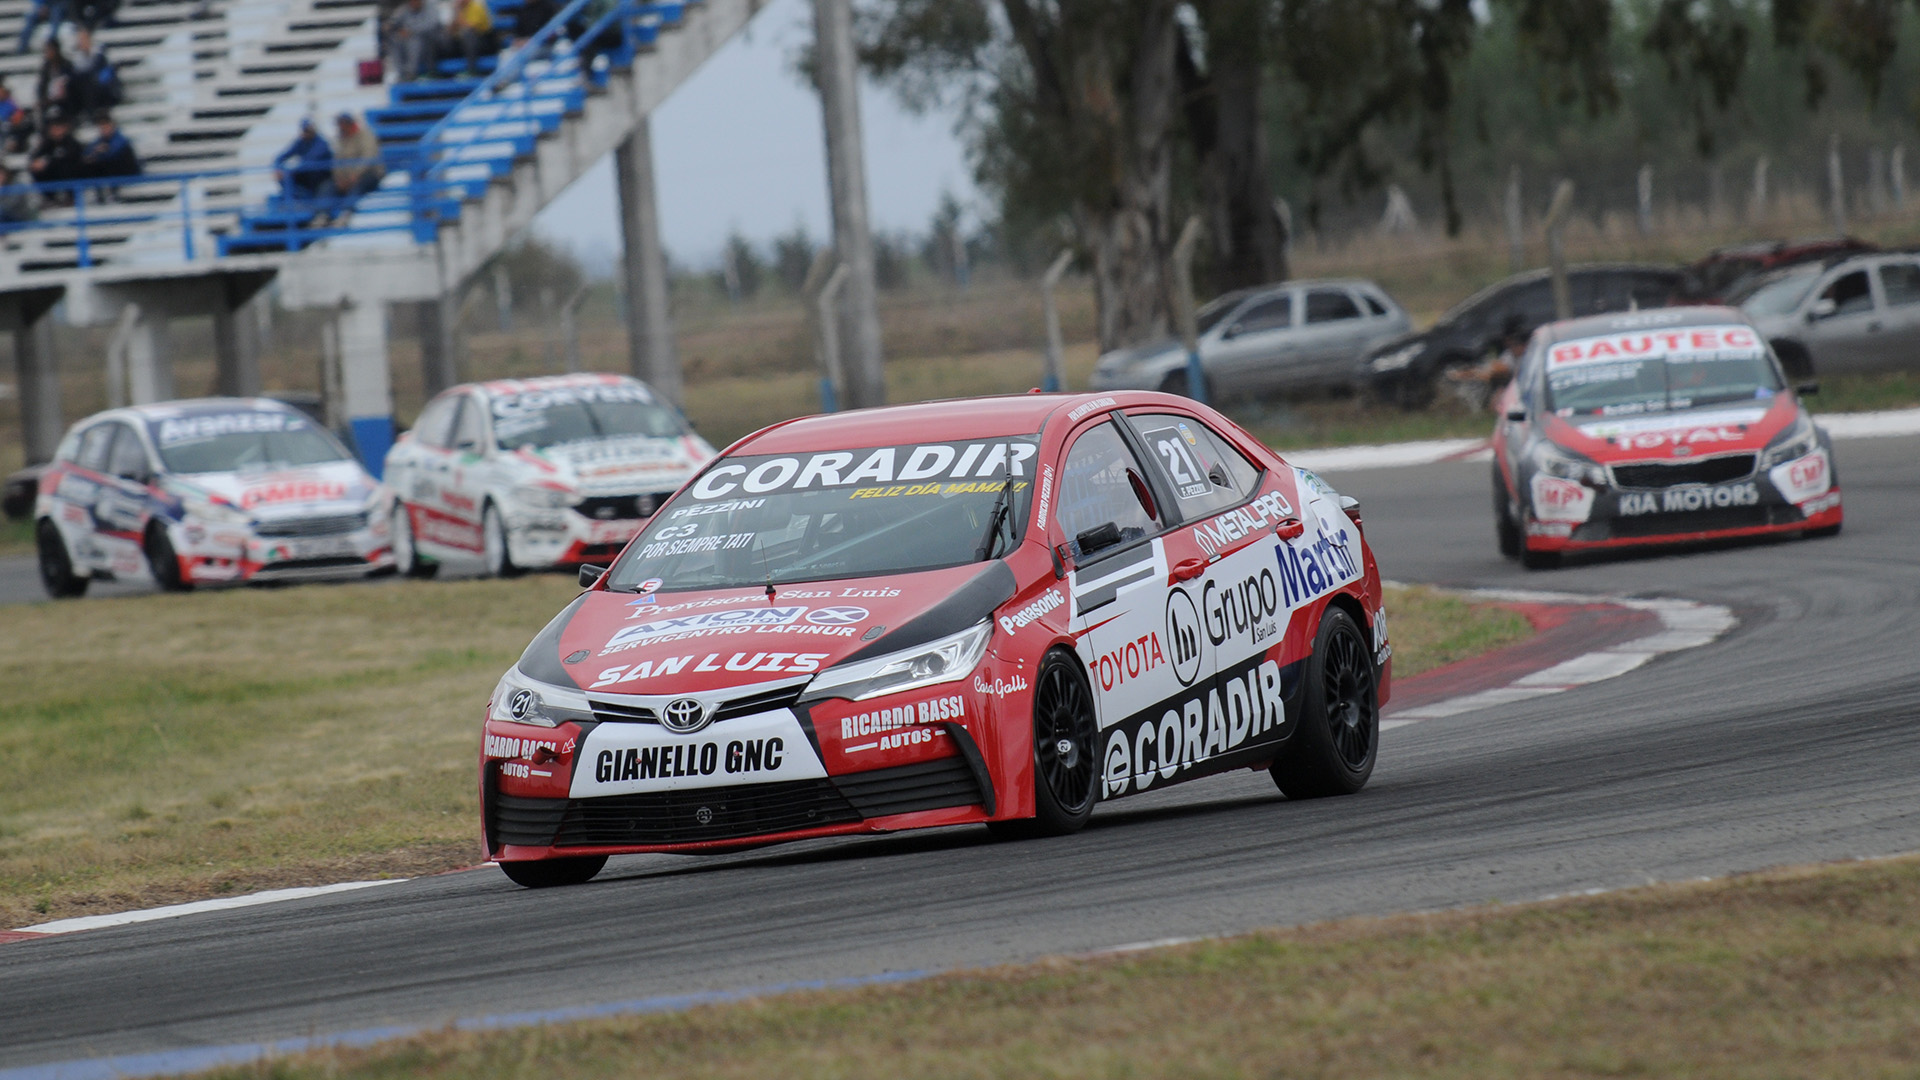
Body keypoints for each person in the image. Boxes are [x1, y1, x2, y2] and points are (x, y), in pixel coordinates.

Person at [322, 112, 383, 220]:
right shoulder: (340, 140)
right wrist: (339, 178)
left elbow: (368, 157)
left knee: (359, 185)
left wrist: (356, 174)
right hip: (348, 177)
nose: (340, 127)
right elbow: (337, 161)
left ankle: (346, 212)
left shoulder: (365, 135)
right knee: (328, 186)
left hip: (369, 173)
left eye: (342, 124)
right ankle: (322, 214)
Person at [28, 111, 85, 204]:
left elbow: (69, 157)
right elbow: (36, 155)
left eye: (58, 127)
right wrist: (35, 162)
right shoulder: (47, 143)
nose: (55, 130)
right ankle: (50, 198)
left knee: (66, 169)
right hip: (53, 173)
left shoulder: (72, 142)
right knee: (37, 172)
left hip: (71, 173)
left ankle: (71, 197)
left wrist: (47, 162)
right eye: (53, 128)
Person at [273, 116, 333, 202]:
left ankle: (300, 200)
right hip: (306, 174)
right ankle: (295, 200)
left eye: (308, 130)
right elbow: (281, 157)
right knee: (286, 176)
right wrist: (278, 168)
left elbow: (311, 159)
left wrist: (290, 170)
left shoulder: (321, 143)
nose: (306, 132)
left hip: (320, 177)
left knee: (290, 174)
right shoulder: (301, 142)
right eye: (305, 130)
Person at [80, 111, 138, 196]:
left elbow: (113, 151)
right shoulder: (99, 140)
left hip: (125, 171)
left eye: (106, 125)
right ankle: (100, 194)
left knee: (111, 164)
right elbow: (88, 153)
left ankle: (114, 192)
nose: (104, 129)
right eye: (102, 126)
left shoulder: (121, 140)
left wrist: (102, 151)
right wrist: (95, 153)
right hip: (108, 170)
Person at [385, 0, 444, 81]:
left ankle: (411, 72)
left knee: (415, 41)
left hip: (430, 42)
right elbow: (393, 23)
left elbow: (432, 25)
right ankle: (401, 73)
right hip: (408, 41)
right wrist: (392, 27)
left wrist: (411, 31)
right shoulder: (404, 9)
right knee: (395, 40)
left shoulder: (430, 7)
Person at [68, 28, 118, 114]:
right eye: (80, 40)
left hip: (98, 86)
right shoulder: (76, 57)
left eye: (84, 39)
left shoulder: (99, 55)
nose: (82, 42)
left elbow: (102, 71)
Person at [450, 0, 495, 74]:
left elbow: (471, 28)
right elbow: (452, 30)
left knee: (468, 35)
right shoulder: (460, 9)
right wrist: (454, 14)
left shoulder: (476, 6)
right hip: (464, 43)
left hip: (484, 41)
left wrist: (458, 12)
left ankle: (472, 69)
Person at [34, 39, 74, 123]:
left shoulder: (66, 65)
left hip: (65, 99)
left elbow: (72, 82)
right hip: (50, 100)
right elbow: (42, 86)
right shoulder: (46, 68)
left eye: (50, 50)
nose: (48, 53)